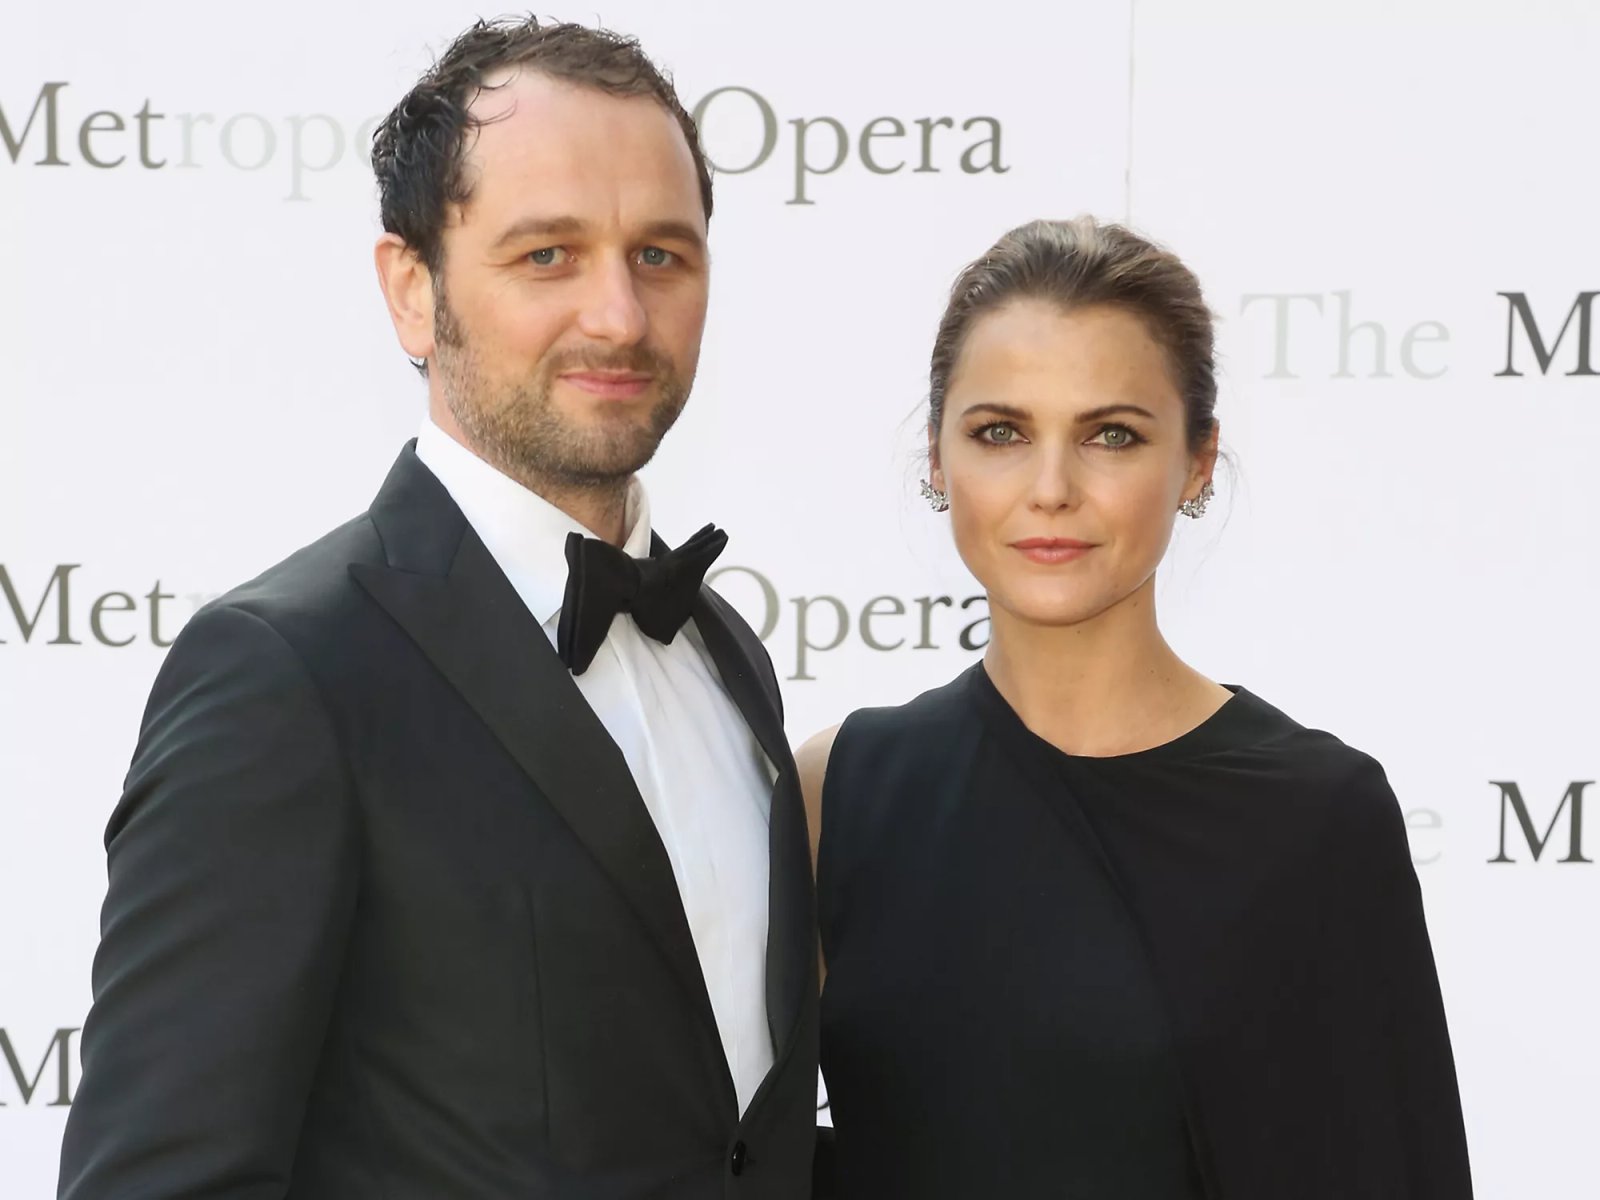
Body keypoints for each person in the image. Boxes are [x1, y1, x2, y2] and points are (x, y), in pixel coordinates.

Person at [59, 18, 818, 1199]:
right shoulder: (286, 675)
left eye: (661, 255)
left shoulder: (727, 657)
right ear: (412, 290)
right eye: (548, 255)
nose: (619, 315)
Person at [800, 217, 1473, 1199]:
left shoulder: (1316, 815)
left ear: (1196, 462)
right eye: (1000, 433)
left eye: (1110, 434)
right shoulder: (842, 790)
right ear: (938, 461)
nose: (1050, 489)